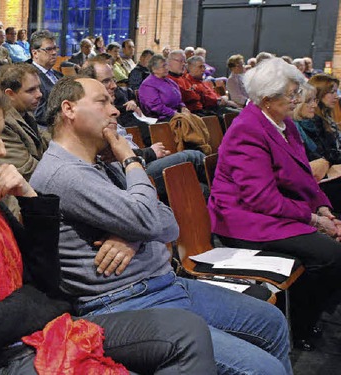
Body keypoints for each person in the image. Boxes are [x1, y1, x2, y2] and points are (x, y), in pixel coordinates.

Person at [0, 70, 218, 375]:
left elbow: (44, 276)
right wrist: (51, 302)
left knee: (186, 331)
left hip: (29, 332)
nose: (0, 150)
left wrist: (30, 198)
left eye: (0, 136)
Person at [30, 75, 293, 375]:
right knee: (264, 369)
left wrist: (134, 237)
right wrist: (132, 161)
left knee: (272, 323)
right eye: (102, 101)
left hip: (164, 283)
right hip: (124, 302)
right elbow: (149, 218)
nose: (115, 110)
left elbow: (168, 220)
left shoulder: (99, 162)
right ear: (69, 109)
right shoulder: (64, 174)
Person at [208, 58, 341, 351]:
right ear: (267, 100)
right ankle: (299, 325)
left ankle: (308, 313)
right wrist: (313, 221)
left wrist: (322, 209)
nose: (296, 100)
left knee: (333, 239)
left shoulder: (285, 124)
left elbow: (303, 175)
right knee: (330, 255)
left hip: (274, 210)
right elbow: (260, 198)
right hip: (244, 219)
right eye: (291, 94)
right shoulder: (248, 129)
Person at [80, 58, 208, 201]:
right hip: (130, 172)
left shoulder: (110, 110)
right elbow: (114, 157)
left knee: (199, 188)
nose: (114, 85)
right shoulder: (91, 118)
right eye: (106, 81)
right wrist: (150, 152)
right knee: (194, 157)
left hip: (139, 162)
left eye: (113, 80)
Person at [294, 74, 341, 211]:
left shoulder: (322, 118)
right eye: (331, 92)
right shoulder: (307, 123)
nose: (336, 96)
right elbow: (322, 157)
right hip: (315, 184)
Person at [0, 63, 48, 180]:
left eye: (38, 88)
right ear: (10, 94)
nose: (39, 94)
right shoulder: (2, 124)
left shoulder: (25, 112)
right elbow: (27, 170)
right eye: (31, 90)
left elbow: (47, 141)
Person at [139, 54, 190, 121]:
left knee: (196, 120)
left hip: (177, 115)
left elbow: (178, 100)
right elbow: (156, 107)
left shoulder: (169, 81)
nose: (167, 68)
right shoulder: (148, 85)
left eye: (166, 65)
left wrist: (183, 107)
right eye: (163, 66)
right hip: (161, 119)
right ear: (154, 69)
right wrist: (175, 114)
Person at [29, 29, 62, 127]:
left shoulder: (59, 75)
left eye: (55, 48)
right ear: (35, 53)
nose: (54, 53)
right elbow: (38, 113)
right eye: (49, 49)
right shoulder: (30, 76)